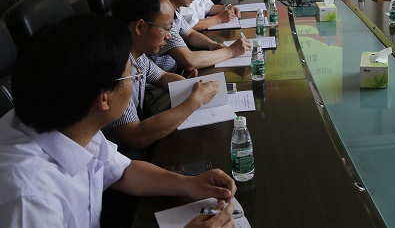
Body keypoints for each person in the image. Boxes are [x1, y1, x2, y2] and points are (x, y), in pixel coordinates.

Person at [0, 15, 237, 228]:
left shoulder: (71, 118)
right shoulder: (30, 199)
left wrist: (187, 184)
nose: (135, 81)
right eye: (131, 75)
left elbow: (121, 171)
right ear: (103, 98)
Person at [106, 0, 220, 151]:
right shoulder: (115, 68)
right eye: (166, 28)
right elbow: (135, 136)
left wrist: (188, 86)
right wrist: (194, 101)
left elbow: (162, 77)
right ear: (140, 27)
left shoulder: (137, 54)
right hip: (119, 156)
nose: (169, 36)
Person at [151, 0, 250, 73]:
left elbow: (190, 34)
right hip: (163, 80)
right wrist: (230, 51)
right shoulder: (162, 17)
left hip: (173, 74)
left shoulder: (174, 11)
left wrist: (212, 45)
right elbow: (189, 61)